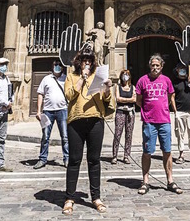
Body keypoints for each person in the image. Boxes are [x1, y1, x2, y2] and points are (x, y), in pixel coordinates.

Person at [62, 45, 112, 215]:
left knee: (94, 160)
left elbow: (106, 98)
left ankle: (96, 197)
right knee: (74, 160)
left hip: (95, 121)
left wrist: (107, 88)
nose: (87, 64)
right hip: (76, 121)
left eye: (90, 61)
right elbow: (69, 95)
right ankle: (69, 198)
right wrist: (81, 79)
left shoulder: (98, 77)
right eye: (85, 61)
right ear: (79, 62)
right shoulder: (71, 76)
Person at [136, 53, 183, 195]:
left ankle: (170, 180)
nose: (155, 68)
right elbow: (139, 100)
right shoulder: (142, 81)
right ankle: (145, 181)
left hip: (164, 121)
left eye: (157, 65)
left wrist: (162, 108)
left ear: (162, 67)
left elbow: (170, 97)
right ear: (149, 66)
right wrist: (148, 110)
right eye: (153, 65)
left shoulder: (167, 81)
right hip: (149, 122)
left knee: (167, 151)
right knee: (147, 152)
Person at [34, 60, 69, 169]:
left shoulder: (66, 79)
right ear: (52, 66)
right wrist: (39, 111)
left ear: (62, 67)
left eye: (59, 65)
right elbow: (40, 94)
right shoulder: (46, 79)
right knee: (45, 136)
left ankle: (67, 158)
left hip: (62, 110)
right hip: (47, 111)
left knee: (65, 136)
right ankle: (42, 159)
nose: (57, 66)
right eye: (55, 65)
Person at [111, 69, 136, 165]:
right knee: (118, 133)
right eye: (123, 75)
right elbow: (117, 98)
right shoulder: (118, 87)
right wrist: (129, 100)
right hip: (120, 112)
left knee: (129, 134)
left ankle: (126, 155)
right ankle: (114, 155)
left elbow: (135, 99)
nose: (125, 76)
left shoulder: (132, 87)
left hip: (130, 113)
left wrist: (124, 100)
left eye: (127, 75)